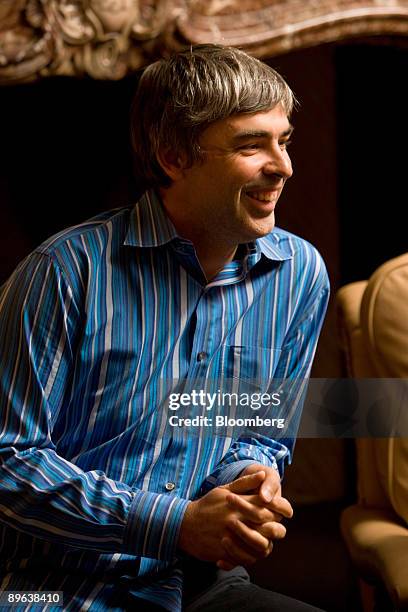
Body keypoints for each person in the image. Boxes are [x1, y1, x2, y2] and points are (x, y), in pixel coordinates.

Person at [0, 44, 329, 611]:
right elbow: (9, 459)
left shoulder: (299, 275)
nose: (283, 167)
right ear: (174, 155)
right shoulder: (63, 273)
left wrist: (252, 477)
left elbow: (259, 430)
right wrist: (175, 523)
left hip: (197, 582)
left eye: (284, 140)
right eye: (252, 144)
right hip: (49, 583)